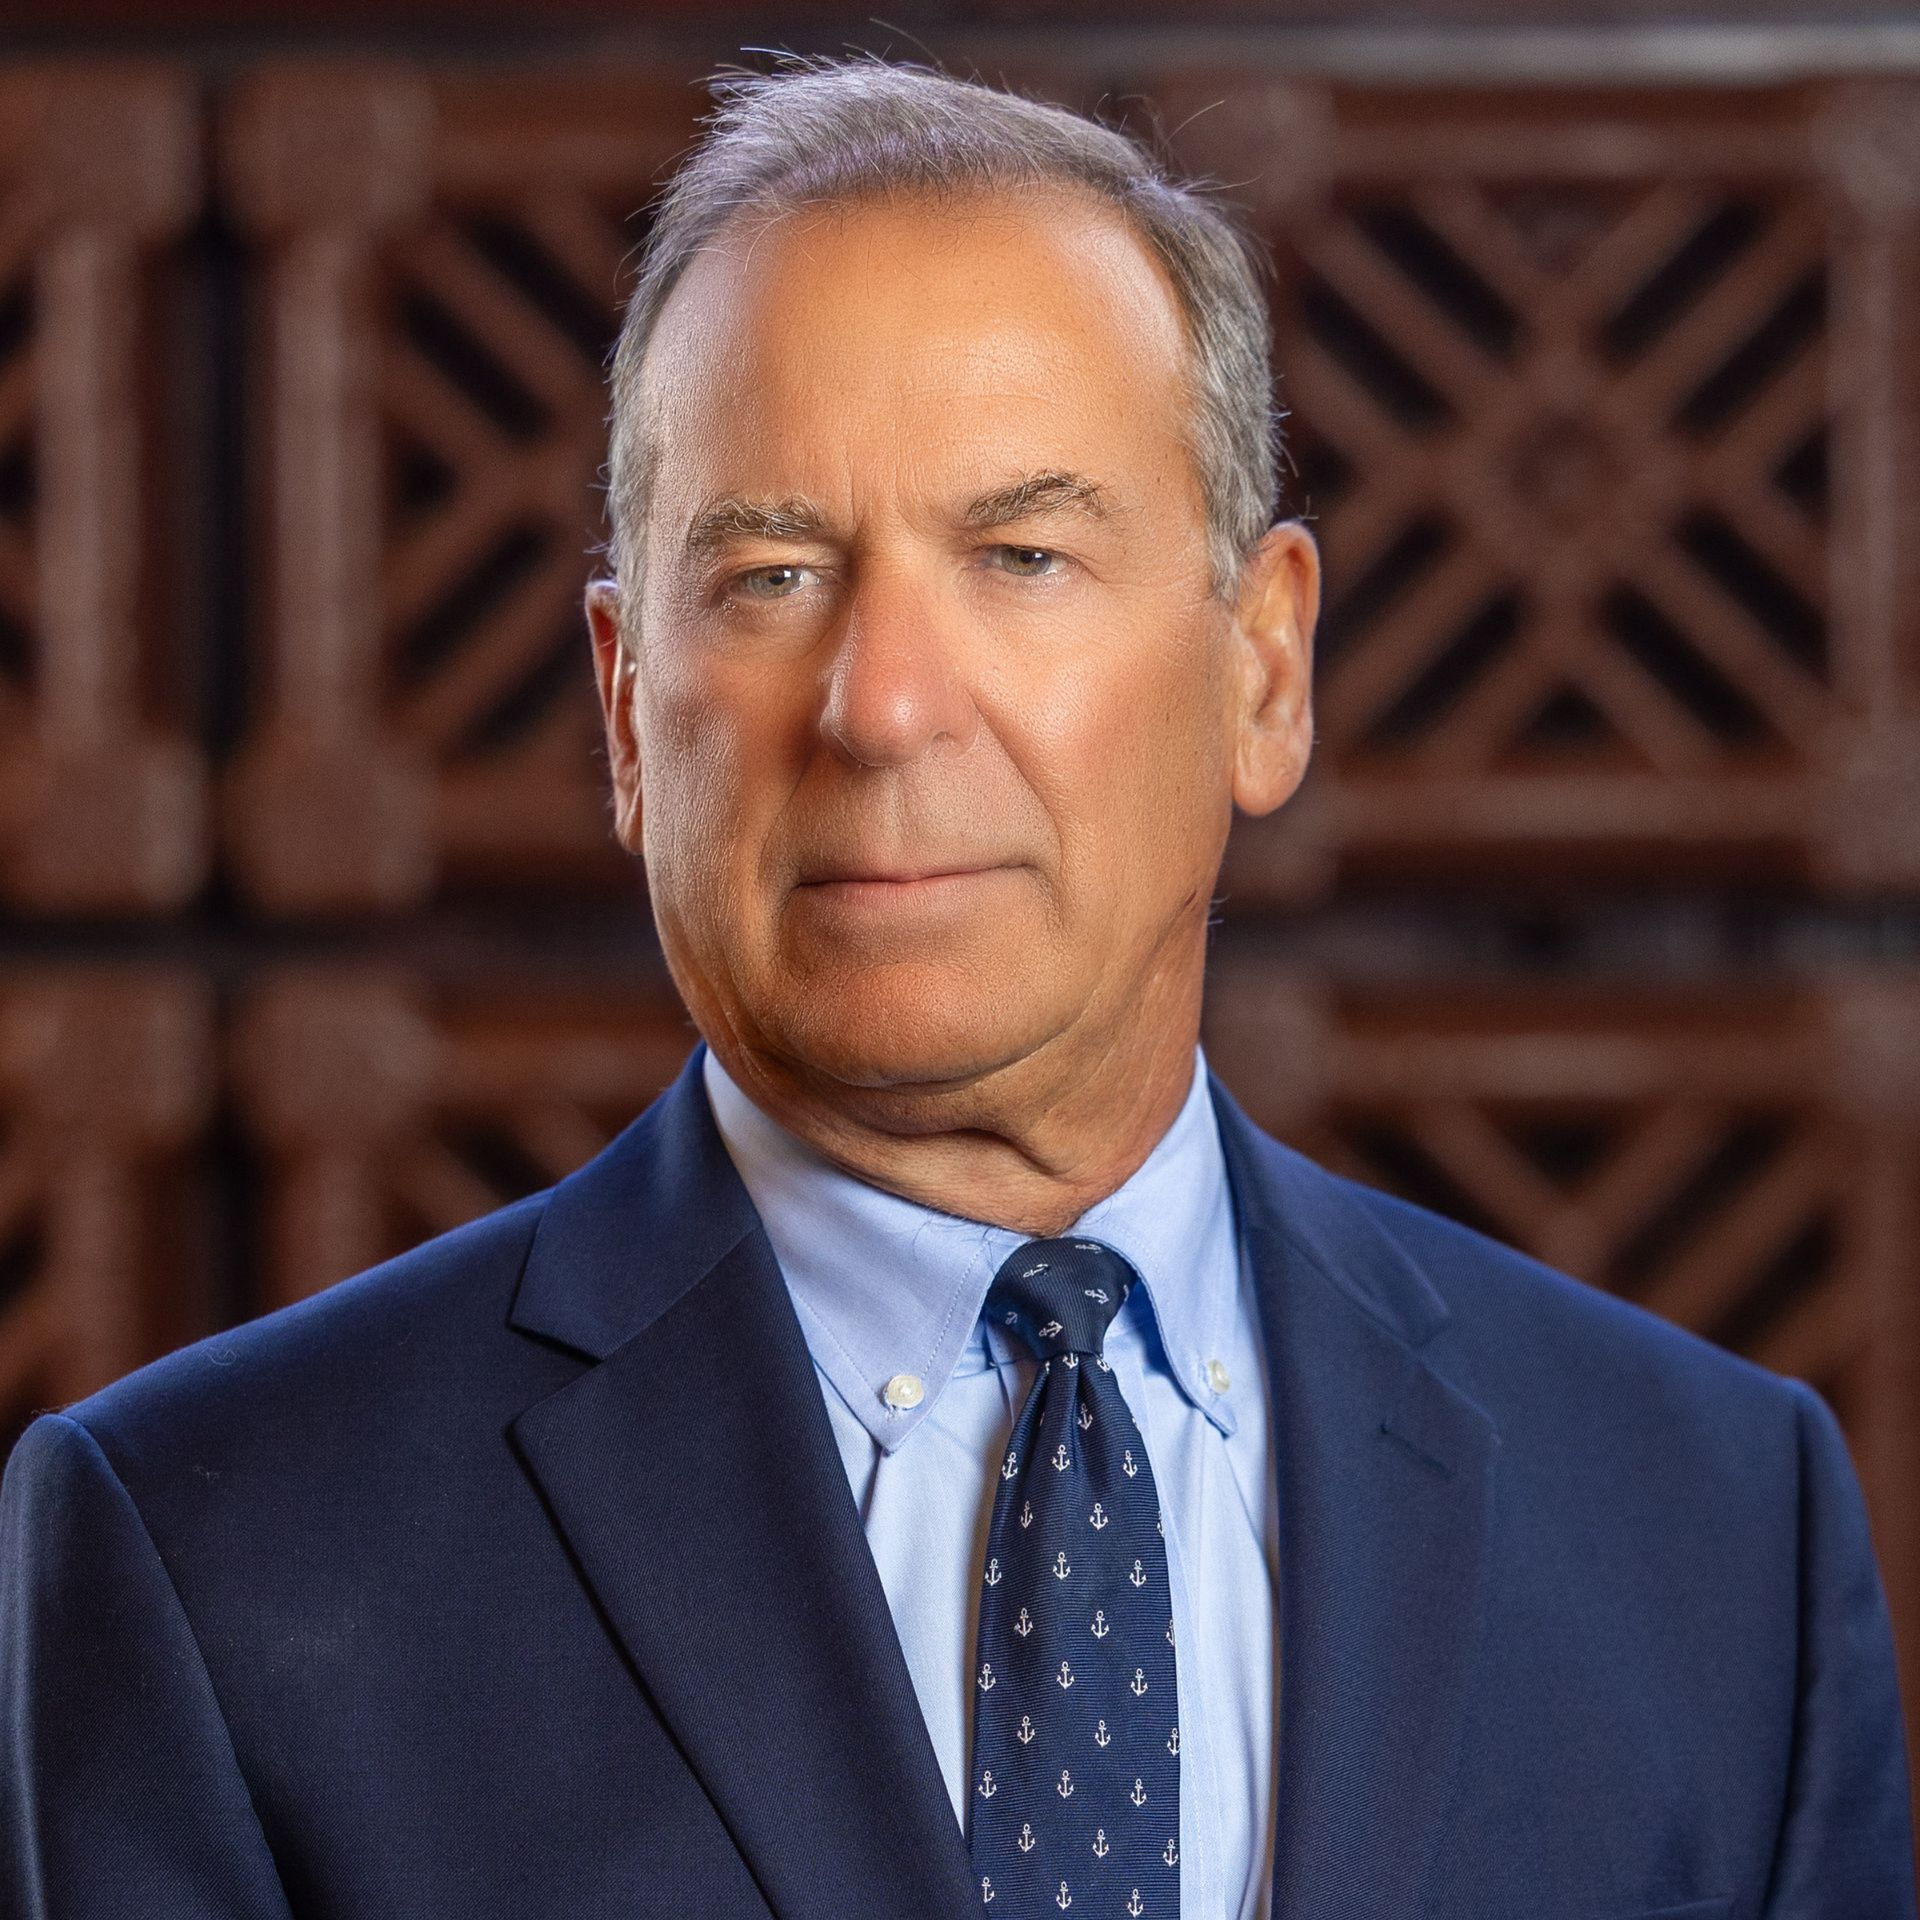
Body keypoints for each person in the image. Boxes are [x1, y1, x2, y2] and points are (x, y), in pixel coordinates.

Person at [1, 56, 1912, 1920]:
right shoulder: (211, 1550)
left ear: (1264, 670)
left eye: (1021, 553)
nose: (885, 704)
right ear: (621, 708)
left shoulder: (1720, 1529)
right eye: (766, 575)